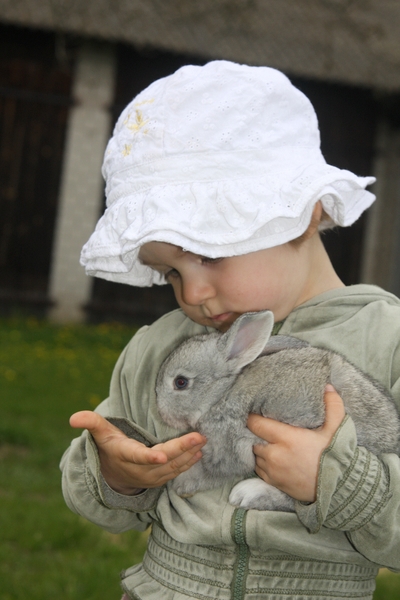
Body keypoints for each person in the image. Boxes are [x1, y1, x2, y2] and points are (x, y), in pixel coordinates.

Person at [60, 61, 400, 600]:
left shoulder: (388, 340)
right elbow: (103, 499)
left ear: (303, 213)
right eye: (171, 271)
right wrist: (118, 474)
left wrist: (341, 483)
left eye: (209, 253)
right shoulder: (162, 348)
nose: (191, 293)